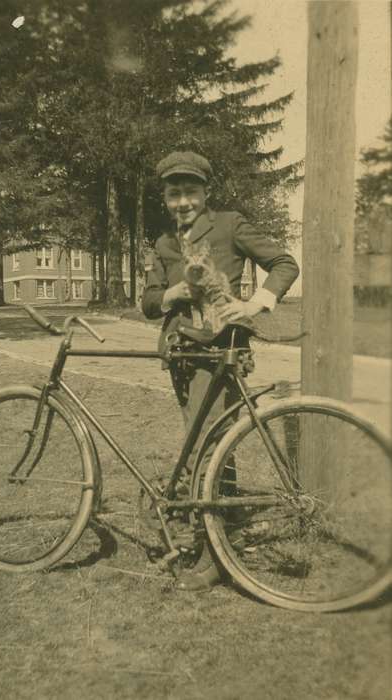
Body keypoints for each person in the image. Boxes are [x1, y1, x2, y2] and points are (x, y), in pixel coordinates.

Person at [141, 151, 299, 591]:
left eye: (190, 191)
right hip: (181, 356)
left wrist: (254, 304)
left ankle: (213, 555)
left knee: (208, 451)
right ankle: (219, 531)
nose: (183, 201)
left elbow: (284, 263)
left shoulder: (229, 224)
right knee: (208, 445)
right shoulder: (164, 243)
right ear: (166, 198)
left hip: (219, 354)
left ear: (205, 193)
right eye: (174, 193)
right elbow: (149, 303)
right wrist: (174, 291)